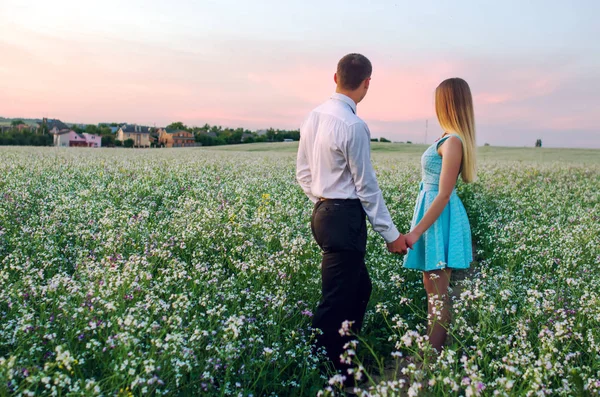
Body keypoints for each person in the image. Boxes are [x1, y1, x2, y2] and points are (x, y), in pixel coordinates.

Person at [296, 53, 408, 384]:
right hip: (344, 217)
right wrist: (391, 235)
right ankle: (326, 370)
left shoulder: (313, 117)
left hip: (323, 212)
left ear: (335, 77)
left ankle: (344, 358)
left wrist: (322, 201)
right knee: (337, 299)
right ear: (367, 83)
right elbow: (367, 187)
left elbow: (303, 172)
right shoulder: (353, 125)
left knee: (360, 288)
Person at [403, 77, 477, 352]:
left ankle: (432, 359)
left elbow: (444, 194)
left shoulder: (453, 141)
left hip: (439, 218)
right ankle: (432, 352)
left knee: (437, 291)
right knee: (432, 287)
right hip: (434, 214)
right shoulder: (447, 138)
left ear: (447, 103)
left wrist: (416, 232)